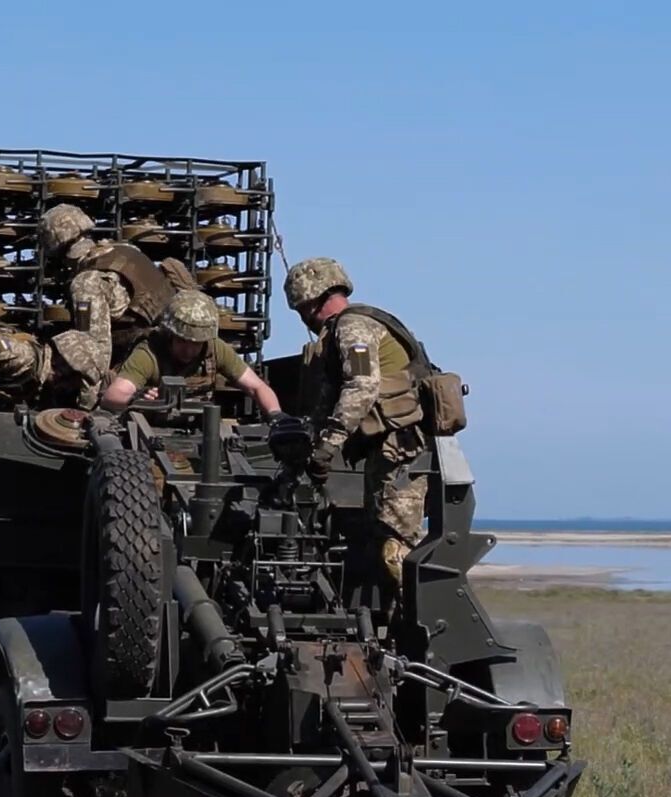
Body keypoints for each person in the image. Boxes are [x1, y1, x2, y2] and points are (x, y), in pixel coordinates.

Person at [283, 256, 430, 589]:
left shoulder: (353, 328)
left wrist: (329, 445)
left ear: (311, 301)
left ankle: (416, 636)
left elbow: (362, 385)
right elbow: (328, 400)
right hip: (386, 452)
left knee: (395, 553)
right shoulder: (341, 331)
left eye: (300, 310)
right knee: (378, 544)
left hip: (403, 452)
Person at [39, 204, 188, 391]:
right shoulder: (126, 250)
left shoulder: (86, 282)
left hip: (149, 365)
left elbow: (94, 353)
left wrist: (90, 405)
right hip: (179, 354)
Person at [101, 291, 283, 415]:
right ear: (171, 334)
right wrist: (138, 397)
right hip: (147, 425)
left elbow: (257, 387)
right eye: (182, 341)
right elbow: (113, 396)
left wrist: (276, 417)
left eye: (196, 343)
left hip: (198, 428)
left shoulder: (215, 349)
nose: (189, 349)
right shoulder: (149, 353)